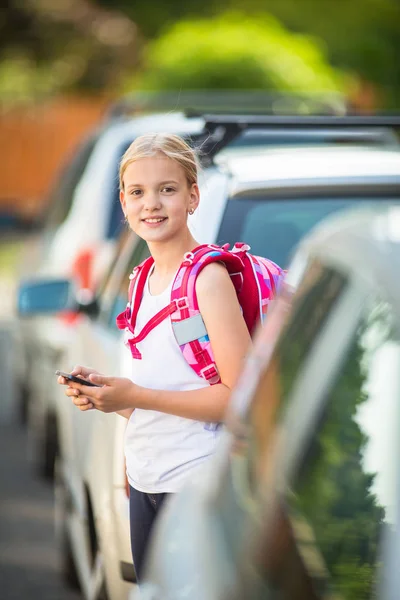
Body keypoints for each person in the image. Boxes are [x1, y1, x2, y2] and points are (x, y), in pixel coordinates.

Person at [57, 132, 251, 582]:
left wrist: (137, 395)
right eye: (138, 192)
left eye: (167, 189)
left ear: (192, 197)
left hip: (196, 488)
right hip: (148, 482)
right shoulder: (141, 280)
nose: (152, 204)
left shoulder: (208, 279)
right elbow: (165, 392)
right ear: (123, 203)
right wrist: (110, 396)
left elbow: (236, 398)